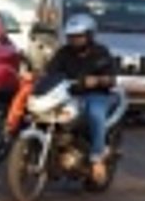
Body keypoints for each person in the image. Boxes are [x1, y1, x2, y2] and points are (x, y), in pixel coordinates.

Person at [44, 14, 116, 185]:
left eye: (79, 36)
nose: (74, 40)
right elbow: (50, 72)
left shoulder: (101, 53)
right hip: (69, 94)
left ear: (90, 35)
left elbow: (112, 79)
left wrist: (97, 80)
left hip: (96, 95)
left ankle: (96, 157)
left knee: (94, 113)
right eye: (71, 36)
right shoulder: (63, 53)